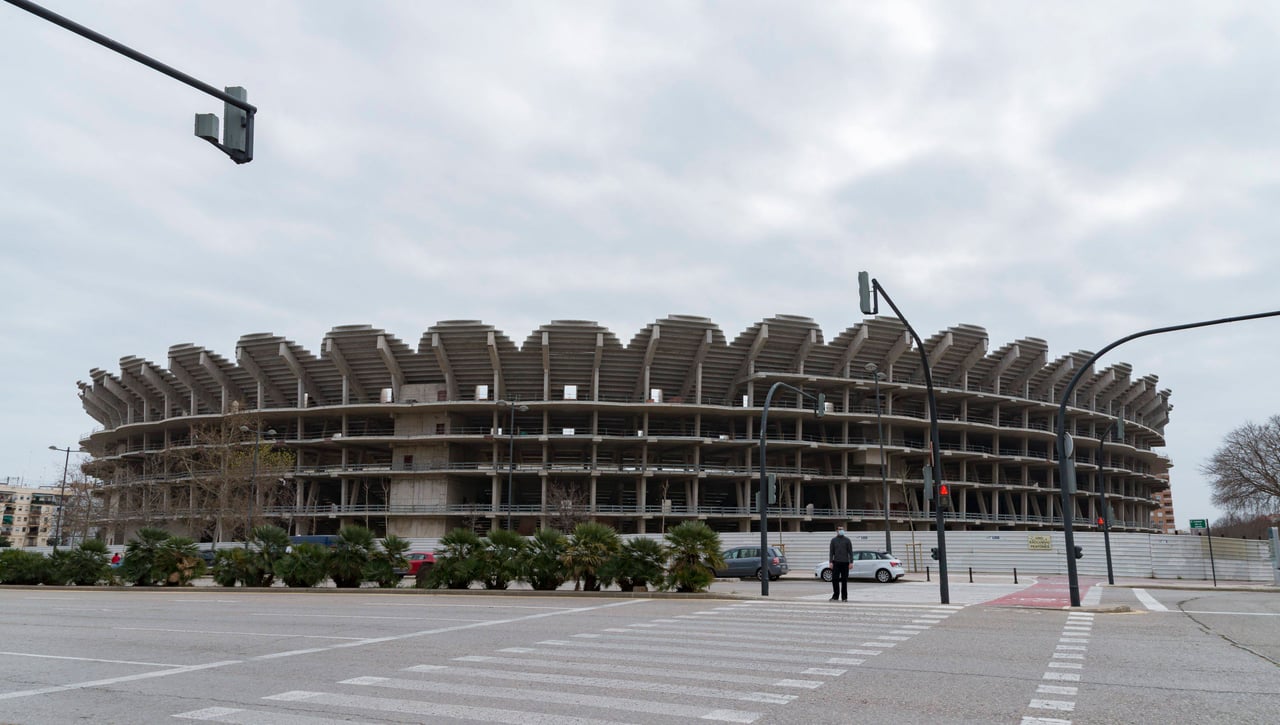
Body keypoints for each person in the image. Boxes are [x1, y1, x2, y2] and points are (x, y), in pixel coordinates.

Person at [829, 525, 853, 601]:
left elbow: (850, 552)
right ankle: (835, 596)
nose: (841, 530)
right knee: (834, 579)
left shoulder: (847, 540)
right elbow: (831, 552)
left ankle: (844, 597)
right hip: (836, 562)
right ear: (837, 531)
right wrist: (830, 562)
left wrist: (851, 562)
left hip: (845, 563)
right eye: (840, 529)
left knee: (844, 580)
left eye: (842, 529)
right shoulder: (833, 540)